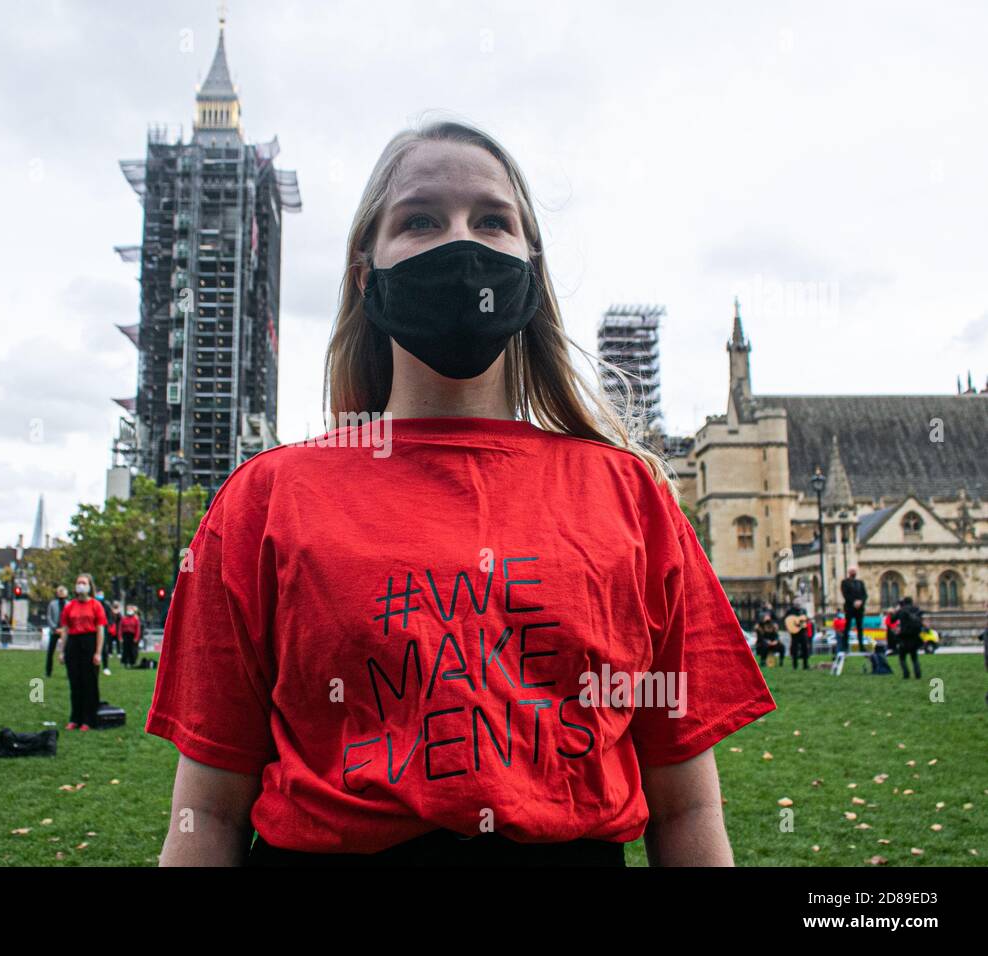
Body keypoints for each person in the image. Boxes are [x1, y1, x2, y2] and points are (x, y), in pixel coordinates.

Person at [144, 119, 776, 867]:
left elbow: (689, 808)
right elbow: (207, 817)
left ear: (530, 269)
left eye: (491, 220)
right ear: (363, 272)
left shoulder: (633, 496)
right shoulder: (263, 501)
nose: (459, 243)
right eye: (419, 220)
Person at [57, 573, 106, 731]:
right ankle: (75, 718)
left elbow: (100, 630)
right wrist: (62, 651)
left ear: (89, 586)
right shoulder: (69, 606)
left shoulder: (96, 605)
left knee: (89, 683)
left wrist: (98, 652)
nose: (80, 585)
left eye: (83, 583)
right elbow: (65, 629)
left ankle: (88, 719)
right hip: (74, 644)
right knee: (75, 682)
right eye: (78, 582)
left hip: (89, 643)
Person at [894, 596, 924, 679]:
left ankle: (906, 674)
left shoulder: (902, 610)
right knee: (914, 658)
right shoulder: (916, 609)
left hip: (904, 637)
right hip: (915, 637)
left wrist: (897, 610)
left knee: (902, 657)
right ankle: (918, 675)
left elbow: (893, 619)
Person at [840, 567, 867, 652]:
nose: (853, 572)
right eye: (852, 571)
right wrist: (854, 602)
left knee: (860, 628)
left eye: (854, 571)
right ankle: (845, 647)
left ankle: (861, 647)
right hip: (850, 608)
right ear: (849, 572)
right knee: (847, 627)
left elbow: (865, 594)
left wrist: (861, 602)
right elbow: (845, 594)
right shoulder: (845, 582)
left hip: (859, 609)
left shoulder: (860, 583)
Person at [45, 585, 68, 677]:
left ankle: (69, 672)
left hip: (65, 631)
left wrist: (65, 629)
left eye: (63, 592)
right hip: (54, 631)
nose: (61, 593)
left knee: (68, 652)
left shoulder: (69, 604)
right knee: (50, 652)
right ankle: (48, 672)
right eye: (60, 591)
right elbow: (49, 617)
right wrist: (54, 628)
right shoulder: (52, 604)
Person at [786, 605, 811, 669]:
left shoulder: (803, 610)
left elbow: (804, 620)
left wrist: (804, 621)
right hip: (794, 633)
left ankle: (805, 665)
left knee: (805, 648)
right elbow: (787, 620)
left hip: (802, 632)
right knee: (794, 649)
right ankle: (795, 665)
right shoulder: (790, 611)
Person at [101, 598, 121, 676]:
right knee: (108, 643)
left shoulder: (108, 608)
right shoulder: (108, 609)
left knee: (105, 645)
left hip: (110, 629)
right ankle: (110, 653)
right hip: (109, 629)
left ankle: (105, 666)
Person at [119, 604, 142, 668]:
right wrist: (120, 637)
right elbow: (120, 629)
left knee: (132, 650)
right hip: (125, 635)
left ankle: (132, 662)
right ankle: (125, 662)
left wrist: (136, 638)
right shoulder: (123, 619)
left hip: (132, 635)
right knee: (125, 649)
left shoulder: (136, 619)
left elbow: (138, 629)